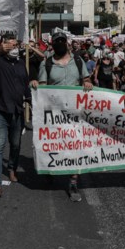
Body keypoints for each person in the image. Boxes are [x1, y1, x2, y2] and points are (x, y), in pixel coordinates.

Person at [35, 32, 92, 202]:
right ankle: (50, 168)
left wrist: (88, 83)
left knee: (75, 146)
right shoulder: (46, 64)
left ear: (67, 43)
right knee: (56, 145)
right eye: (56, 42)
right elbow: (44, 87)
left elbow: (86, 79)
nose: (59, 44)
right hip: (54, 114)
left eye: (62, 41)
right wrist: (36, 84)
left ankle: (73, 182)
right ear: (52, 44)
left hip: (75, 113)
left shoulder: (78, 60)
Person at [0, 33, 31, 198]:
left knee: (15, 144)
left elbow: (25, 84)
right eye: (10, 45)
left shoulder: (21, 64)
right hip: (0, 110)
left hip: (17, 111)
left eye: (16, 45)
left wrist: (30, 98)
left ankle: (12, 168)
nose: (14, 48)